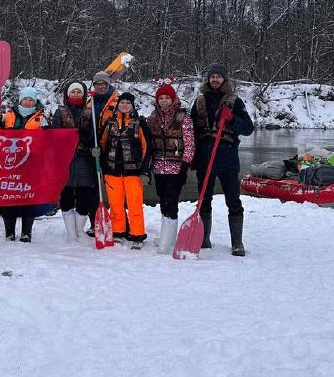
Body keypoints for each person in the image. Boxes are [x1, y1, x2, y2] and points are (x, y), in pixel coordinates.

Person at [190, 64, 254, 256]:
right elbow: (190, 130)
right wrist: (192, 155)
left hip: (227, 158)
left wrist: (232, 119)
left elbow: (248, 128)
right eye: (212, 77)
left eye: (218, 77)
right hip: (204, 156)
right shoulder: (200, 101)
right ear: (208, 79)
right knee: (204, 200)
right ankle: (204, 239)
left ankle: (237, 243)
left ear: (224, 80)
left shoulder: (235, 101)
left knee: (233, 200)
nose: (215, 80)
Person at [146, 79, 195, 255]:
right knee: (162, 200)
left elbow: (189, 144)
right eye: (161, 98)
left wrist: (184, 165)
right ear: (157, 100)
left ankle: (166, 244)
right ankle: (167, 235)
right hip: (159, 166)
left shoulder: (184, 118)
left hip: (176, 167)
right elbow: (146, 142)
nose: (164, 101)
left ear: (173, 99)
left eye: (168, 97)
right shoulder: (152, 118)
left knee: (171, 201)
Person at [100, 92, 151, 249]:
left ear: (133, 105)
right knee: (115, 205)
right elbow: (101, 143)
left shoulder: (140, 123)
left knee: (135, 204)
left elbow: (146, 147)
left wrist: (145, 171)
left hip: (133, 171)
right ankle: (118, 232)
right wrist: (98, 154)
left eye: (128, 103)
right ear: (118, 104)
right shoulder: (110, 123)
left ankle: (137, 235)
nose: (124, 105)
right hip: (112, 170)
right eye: (122, 102)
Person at [0, 85, 48, 242]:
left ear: (35, 102)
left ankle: (26, 232)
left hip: (31, 162)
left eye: (30, 100)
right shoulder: (8, 115)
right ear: (20, 100)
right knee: (9, 195)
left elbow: (49, 139)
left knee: (28, 195)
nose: (27, 102)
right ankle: (9, 232)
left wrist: (48, 131)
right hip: (10, 162)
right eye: (25, 99)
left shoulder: (41, 118)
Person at [53, 80, 95, 242]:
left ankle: (79, 230)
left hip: (85, 157)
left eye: (79, 92)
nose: (76, 94)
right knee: (67, 194)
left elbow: (96, 134)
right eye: (73, 92)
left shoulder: (90, 111)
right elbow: (55, 134)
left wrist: (88, 134)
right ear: (68, 94)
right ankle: (71, 232)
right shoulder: (60, 112)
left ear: (83, 94)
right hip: (66, 158)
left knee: (85, 194)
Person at [86, 70, 119, 234]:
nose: (100, 87)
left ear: (108, 85)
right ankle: (95, 222)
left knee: (113, 187)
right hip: (94, 148)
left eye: (103, 84)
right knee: (94, 187)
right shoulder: (89, 102)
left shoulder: (117, 101)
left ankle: (119, 222)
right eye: (97, 84)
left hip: (112, 149)